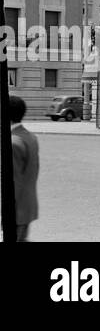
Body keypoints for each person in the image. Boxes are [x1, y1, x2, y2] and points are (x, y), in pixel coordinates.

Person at [9, 95, 40, 241]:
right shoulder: (31, 137)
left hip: (16, 211)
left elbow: (13, 183)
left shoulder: (13, 142)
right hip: (27, 206)